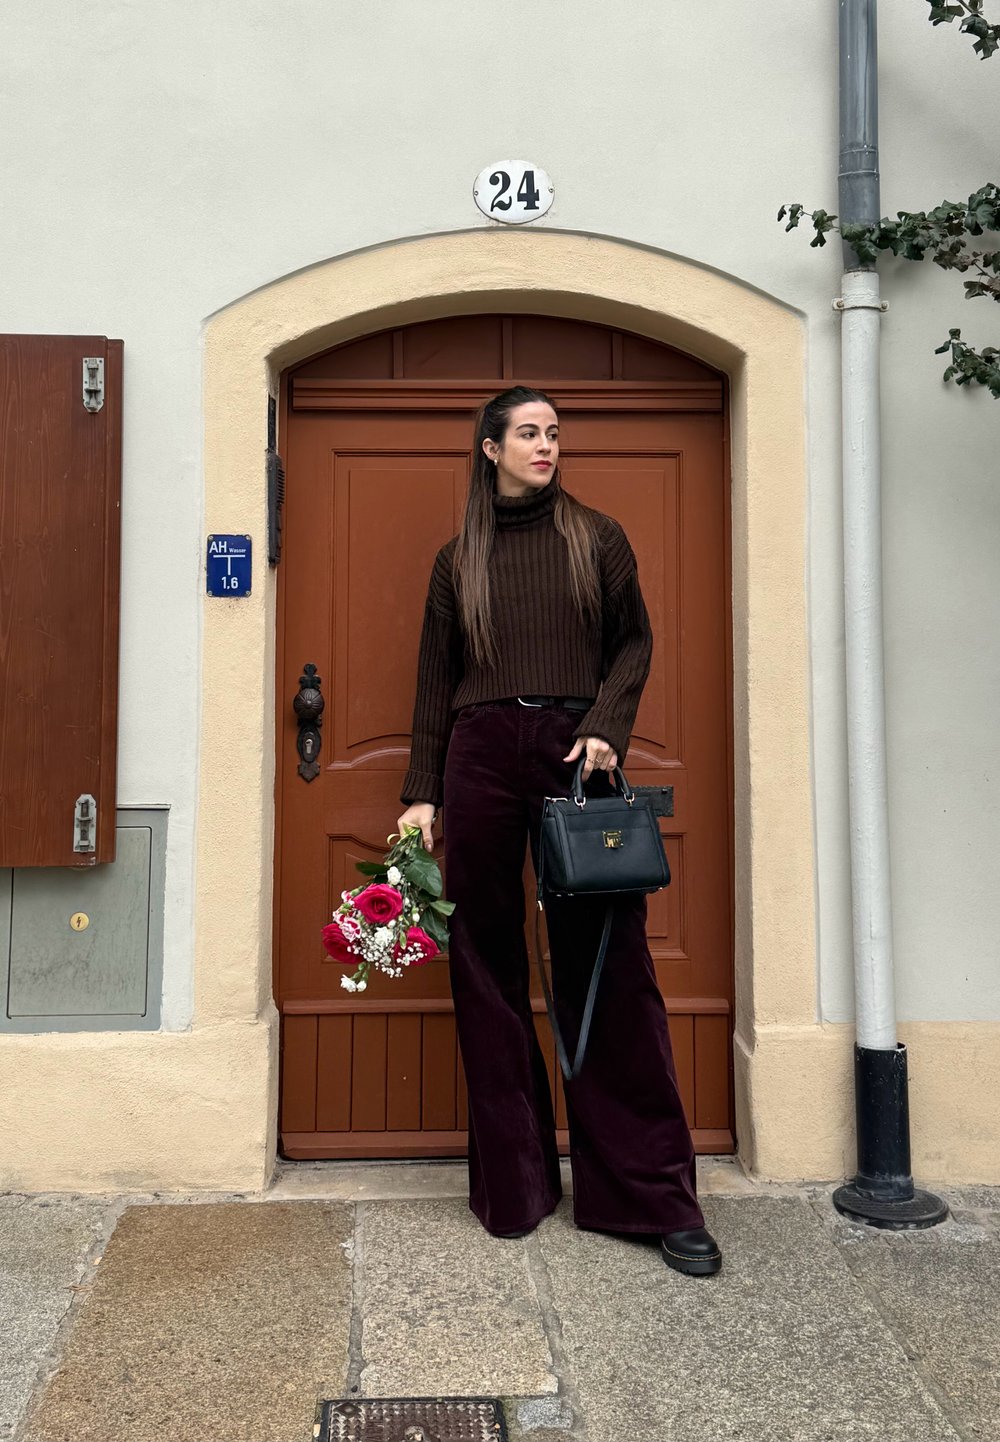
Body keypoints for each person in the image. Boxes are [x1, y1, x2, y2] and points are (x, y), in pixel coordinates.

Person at [396, 385, 722, 1277]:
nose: (546, 446)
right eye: (529, 434)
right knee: (485, 968)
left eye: (553, 434)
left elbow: (635, 645)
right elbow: (434, 682)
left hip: (576, 753)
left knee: (610, 967)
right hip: (479, 755)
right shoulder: (455, 559)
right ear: (490, 448)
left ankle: (652, 1196)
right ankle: (517, 1184)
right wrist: (422, 793)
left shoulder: (597, 538)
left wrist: (608, 727)